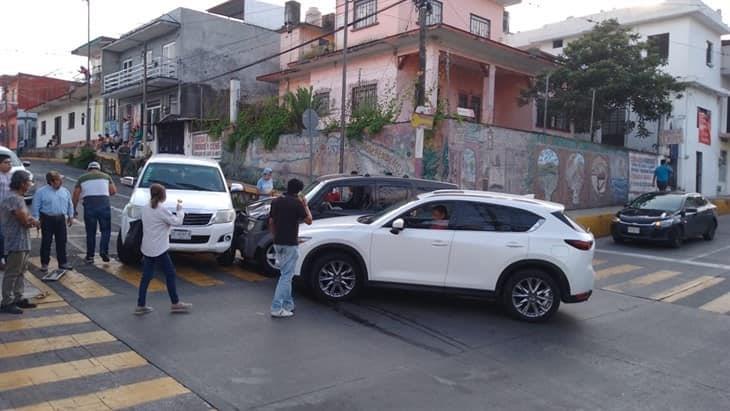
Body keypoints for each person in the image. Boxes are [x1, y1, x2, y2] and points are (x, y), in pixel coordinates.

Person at [136, 183, 191, 315]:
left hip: (147, 247)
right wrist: (180, 210)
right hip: (160, 248)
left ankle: (140, 305)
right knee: (170, 274)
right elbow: (177, 221)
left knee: (146, 277)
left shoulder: (145, 208)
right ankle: (175, 303)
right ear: (162, 196)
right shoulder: (161, 210)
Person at [268, 178, 313, 318]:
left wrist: (274, 236)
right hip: (290, 244)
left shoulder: (276, 201)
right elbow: (309, 221)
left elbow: (271, 221)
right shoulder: (297, 203)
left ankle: (288, 304)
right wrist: (305, 205)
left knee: (286, 274)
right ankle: (276, 308)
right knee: (286, 277)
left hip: (277, 242)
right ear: (299, 191)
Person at [0, 171, 39, 314]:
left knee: (21, 271)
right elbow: (24, 220)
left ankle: (18, 297)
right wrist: (33, 221)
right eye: (28, 182)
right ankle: (7, 301)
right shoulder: (14, 199)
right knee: (12, 272)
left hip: (22, 240)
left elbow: (26, 218)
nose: (29, 185)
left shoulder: (18, 198)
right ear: (22, 183)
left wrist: (31, 220)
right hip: (15, 241)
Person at [72, 161, 117, 264]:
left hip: (89, 206)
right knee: (105, 230)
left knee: (90, 232)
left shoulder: (82, 178)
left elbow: (75, 195)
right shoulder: (106, 176)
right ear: (99, 168)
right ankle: (104, 252)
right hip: (104, 205)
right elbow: (113, 191)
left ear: (88, 169)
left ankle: (90, 256)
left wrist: (73, 209)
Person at [32, 171, 74, 273]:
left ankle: (63, 262)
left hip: (60, 218)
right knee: (46, 241)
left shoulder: (65, 191)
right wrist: (36, 219)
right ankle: (45, 263)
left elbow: (70, 203)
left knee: (62, 241)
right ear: (51, 182)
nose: (61, 182)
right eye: (58, 180)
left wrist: (71, 216)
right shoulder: (41, 192)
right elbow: (36, 206)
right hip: (47, 218)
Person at [0, 154, 12, 270]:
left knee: (8, 235)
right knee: (1, 236)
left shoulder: (11, 176)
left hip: (9, 212)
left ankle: (6, 257)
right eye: (6, 163)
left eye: (10, 163)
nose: (10, 165)